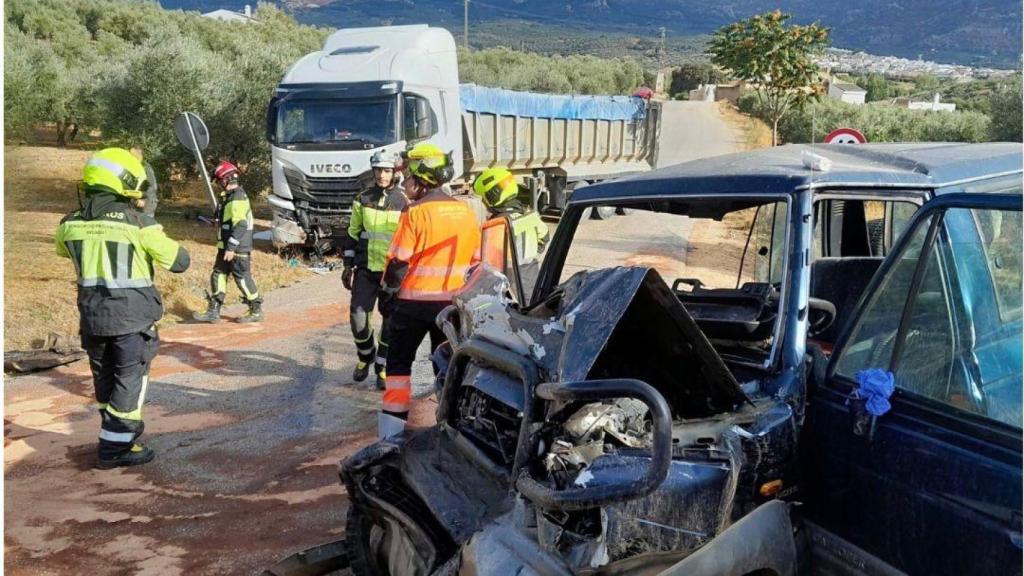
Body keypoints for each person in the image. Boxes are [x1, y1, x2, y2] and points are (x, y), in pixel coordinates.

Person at [55, 148, 191, 468]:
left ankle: (111, 430)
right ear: (126, 184)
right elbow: (179, 261)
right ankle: (115, 446)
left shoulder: (69, 224)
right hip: (132, 318)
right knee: (130, 377)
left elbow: (63, 251)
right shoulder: (138, 223)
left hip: (92, 317)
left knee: (103, 375)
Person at [378, 143, 481, 439]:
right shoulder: (466, 212)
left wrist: (386, 295)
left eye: (409, 175)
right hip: (450, 308)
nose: (405, 182)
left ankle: (390, 434)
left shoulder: (414, 213)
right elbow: (475, 263)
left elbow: (398, 263)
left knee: (398, 367)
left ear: (422, 178)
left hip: (411, 306)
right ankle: (450, 429)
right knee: (448, 368)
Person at [341, 150, 408, 389]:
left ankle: (382, 366)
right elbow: (353, 232)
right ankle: (365, 357)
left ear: (394, 173)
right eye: (378, 170)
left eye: (387, 170)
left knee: (390, 323)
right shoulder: (362, 198)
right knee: (358, 318)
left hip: (392, 273)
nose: (382, 175)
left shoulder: (403, 202)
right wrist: (348, 265)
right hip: (366, 269)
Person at [194, 160, 263, 323]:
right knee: (218, 275)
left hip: (237, 247)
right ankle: (214, 311)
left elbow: (240, 225)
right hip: (225, 246)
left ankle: (256, 309)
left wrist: (231, 247)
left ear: (227, 179)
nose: (218, 184)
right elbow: (229, 221)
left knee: (242, 278)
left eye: (219, 181)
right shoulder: (229, 197)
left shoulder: (237, 197)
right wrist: (216, 223)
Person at [472, 167, 549, 294]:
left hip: (505, 287)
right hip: (530, 282)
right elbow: (544, 238)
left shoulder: (494, 226)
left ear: (493, 196)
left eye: (484, 197)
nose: (483, 201)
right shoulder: (531, 217)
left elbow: (482, 259)